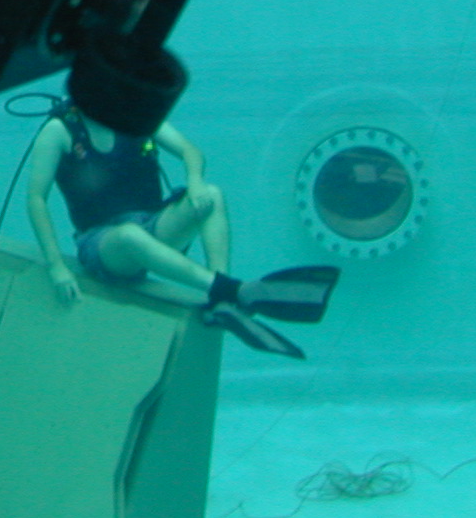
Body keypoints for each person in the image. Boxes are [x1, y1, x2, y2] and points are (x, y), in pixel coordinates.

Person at [25, 101, 338, 357]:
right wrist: (56, 267)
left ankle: (221, 302)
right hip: (103, 244)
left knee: (211, 196)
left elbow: (190, 151)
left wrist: (195, 182)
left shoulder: (135, 113)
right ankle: (231, 289)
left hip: (151, 225)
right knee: (129, 236)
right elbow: (36, 199)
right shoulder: (59, 130)